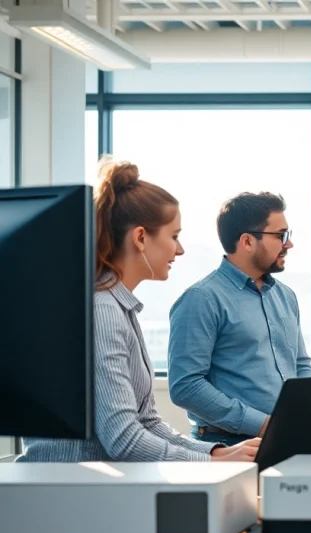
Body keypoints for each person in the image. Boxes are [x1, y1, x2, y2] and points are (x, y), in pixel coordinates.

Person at [19, 159, 259, 463]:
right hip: (68, 492)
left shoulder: (119, 307)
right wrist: (210, 463)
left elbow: (146, 424)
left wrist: (218, 451)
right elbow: (123, 440)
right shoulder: (102, 309)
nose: (180, 249)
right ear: (141, 238)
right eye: (174, 236)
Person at [168, 192, 311, 446]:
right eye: (280, 236)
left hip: (289, 437)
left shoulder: (286, 296)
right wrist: (264, 424)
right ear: (247, 241)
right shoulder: (201, 299)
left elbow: (300, 365)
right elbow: (186, 386)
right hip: (228, 445)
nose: (289, 244)